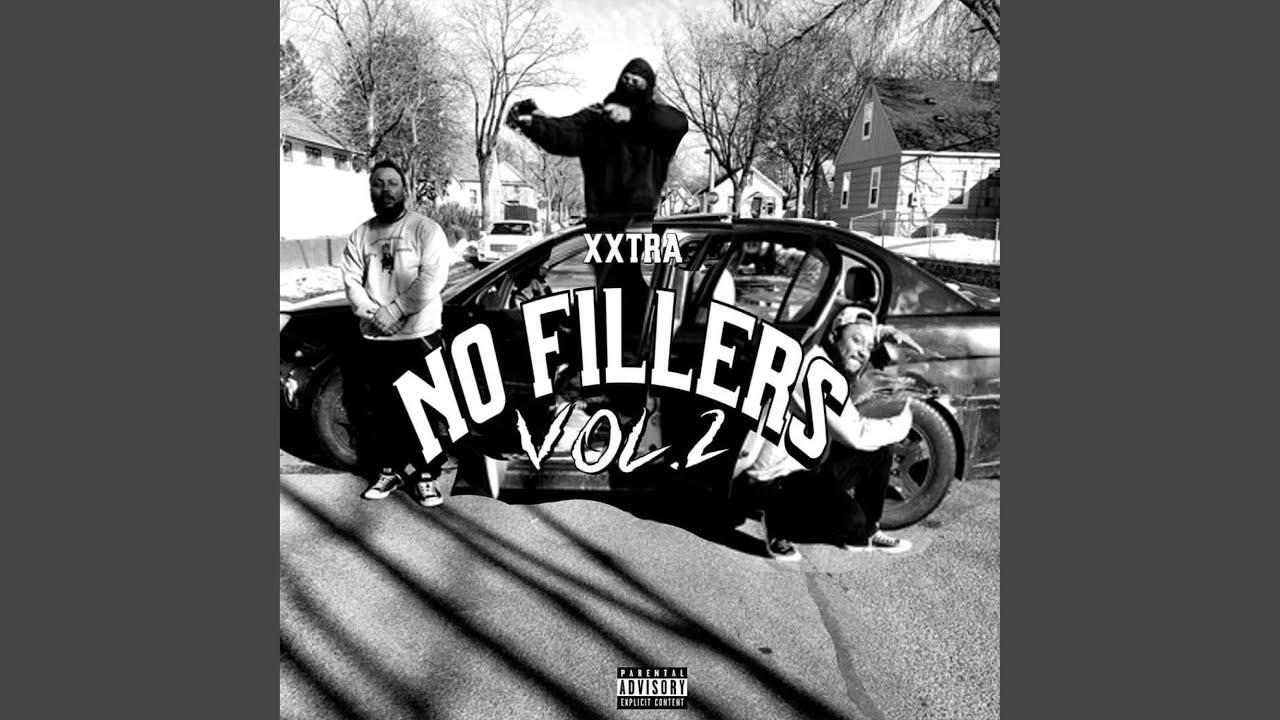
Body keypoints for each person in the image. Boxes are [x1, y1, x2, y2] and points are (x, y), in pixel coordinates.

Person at [733, 305, 927, 561]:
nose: (863, 352)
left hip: (808, 466)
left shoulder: (826, 358)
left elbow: (853, 333)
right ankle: (779, 524)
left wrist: (881, 333)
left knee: (880, 452)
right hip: (773, 480)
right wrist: (906, 417)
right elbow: (856, 434)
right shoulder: (811, 372)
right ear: (834, 335)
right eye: (857, 341)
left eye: (868, 347)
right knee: (850, 523)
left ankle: (869, 531)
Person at [340, 159, 452, 507]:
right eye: (378, 183)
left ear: (405, 188)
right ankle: (388, 471)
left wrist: (396, 310)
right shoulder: (361, 235)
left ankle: (426, 475)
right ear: (370, 190)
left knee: (424, 409)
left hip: (420, 335)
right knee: (382, 411)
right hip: (376, 338)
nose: (385, 189)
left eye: (392, 183)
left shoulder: (425, 229)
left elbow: (432, 279)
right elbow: (351, 282)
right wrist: (374, 314)